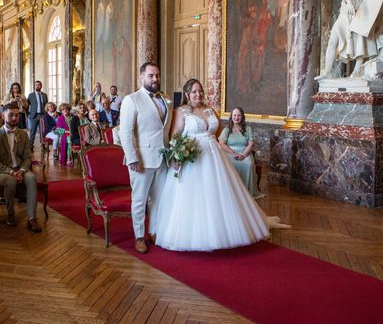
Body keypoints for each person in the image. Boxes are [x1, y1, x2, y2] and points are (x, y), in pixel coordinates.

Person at [153, 79, 289, 252]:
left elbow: (216, 135)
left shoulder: (210, 110)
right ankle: (201, 234)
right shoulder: (181, 112)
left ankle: (227, 230)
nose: (198, 94)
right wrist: (177, 156)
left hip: (214, 157)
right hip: (193, 159)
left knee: (220, 193)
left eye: (200, 91)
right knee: (197, 198)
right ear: (187, 94)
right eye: (194, 92)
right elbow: (174, 136)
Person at [119, 62, 172, 254]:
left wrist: (172, 153)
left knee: (158, 199)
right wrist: (132, 158)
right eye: (151, 76)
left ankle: (154, 231)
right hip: (141, 159)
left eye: (157, 75)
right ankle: (139, 236)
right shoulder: (131, 100)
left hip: (163, 158)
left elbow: (166, 131)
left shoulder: (166, 100)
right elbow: (124, 133)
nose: (155, 79)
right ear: (142, 77)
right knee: (140, 199)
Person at [0, 101, 42, 232]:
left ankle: (32, 218)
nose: (14, 118)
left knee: (32, 179)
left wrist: (22, 170)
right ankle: (10, 215)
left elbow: (27, 157)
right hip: (2, 171)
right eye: (11, 115)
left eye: (17, 115)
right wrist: (11, 172)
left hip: (20, 168)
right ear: (3, 115)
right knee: (10, 181)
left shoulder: (23, 134)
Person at [218, 107, 263, 199]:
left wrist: (243, 155)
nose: (236, 117)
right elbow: (221, 143)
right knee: (228, 165)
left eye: (239, 115)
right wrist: (233, 153)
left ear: (242, 117)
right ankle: (231, 192)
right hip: (230, 153)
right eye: (234, 115)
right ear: (231, 117)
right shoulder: (227, 130)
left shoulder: (248, 129)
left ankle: (247, 192)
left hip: (244, 153)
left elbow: (251, 144)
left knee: (248, 164)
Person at [27, 80, 48, 148]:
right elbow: (27, 105)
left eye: (39, 85)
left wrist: (46, 114)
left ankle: (43, 145)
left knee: (43, 131)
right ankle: (30, 146)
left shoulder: (44, 95)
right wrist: (28, 114)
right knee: (33, 131)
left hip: (42, 115)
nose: (37, 86)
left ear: (41, 86)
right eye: (36, 85)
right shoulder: (31, 95)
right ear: (34, 86)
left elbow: (47, 106)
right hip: (34, 115)